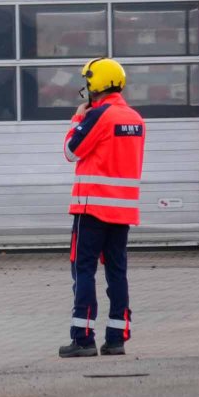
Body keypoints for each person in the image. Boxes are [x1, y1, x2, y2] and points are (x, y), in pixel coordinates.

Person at [59, 57, 147, 359]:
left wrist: (77, 119)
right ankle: (117, 337)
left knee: (83, 270)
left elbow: (72, 151)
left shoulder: (100, 116)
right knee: (117, 272)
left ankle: (83, 339)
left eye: (87, 81)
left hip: (91, 207)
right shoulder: (135, 119)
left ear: (96, 84)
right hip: (122, 211)